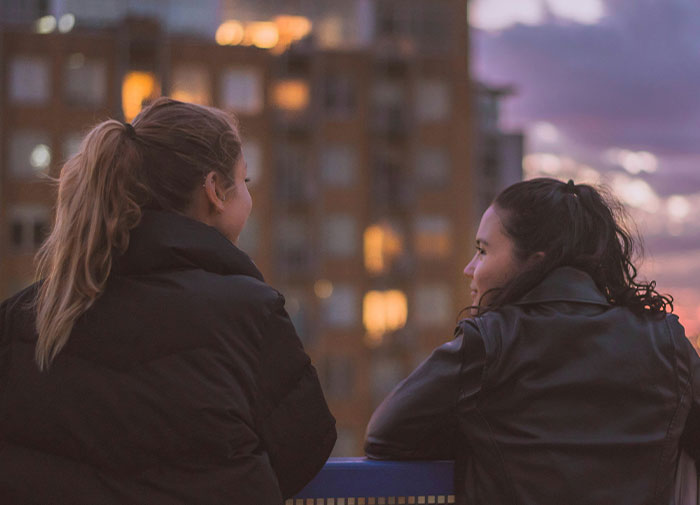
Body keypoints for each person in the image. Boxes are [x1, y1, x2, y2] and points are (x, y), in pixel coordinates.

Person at [0, 97, 336, 504]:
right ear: (215, 190)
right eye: (244, 182)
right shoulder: (250, 313)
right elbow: (306, 445)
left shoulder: (23, 317)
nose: (248, 196)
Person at [365, 177, 700, 505]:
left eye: (482, 251)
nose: (470, 268)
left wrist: (482, 440)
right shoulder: (665, 341)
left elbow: (384, 436)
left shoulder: (490, 342)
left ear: (535, 262)